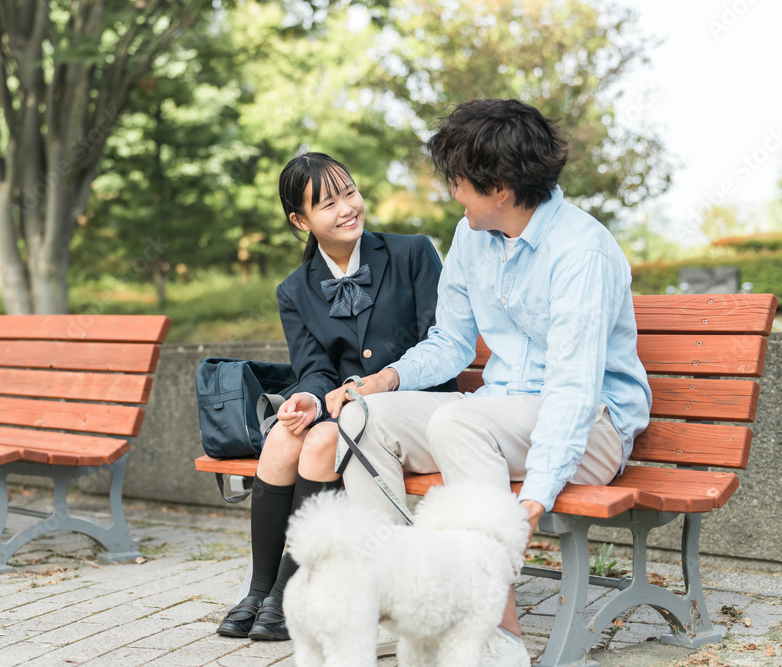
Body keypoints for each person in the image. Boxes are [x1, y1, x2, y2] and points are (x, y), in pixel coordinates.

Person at [325, 99, 652, 666]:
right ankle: (406, 604)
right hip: (496, 417)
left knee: (459, 419)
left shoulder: (581, 252)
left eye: (459, 182)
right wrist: (388, 378)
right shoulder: (471, 235)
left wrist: (535, 497)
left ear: (499, 186)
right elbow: (451, 341)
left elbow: (573, 392)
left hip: (590, 430)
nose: (454, 194)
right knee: (361, 418)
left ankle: (498, 636)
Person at [217, 152, 456, 641]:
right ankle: (258, 589)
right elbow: (314, 368)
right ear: (300, 221)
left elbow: (439, 342)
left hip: (411, 408)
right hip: (341, 412)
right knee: (286, 437)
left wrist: (370, 386)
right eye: (328, 203)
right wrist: (305, 396)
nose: (347, 208)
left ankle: (288, 590)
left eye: (349, 192)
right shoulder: (295, 290)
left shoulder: (412, 252)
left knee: (324, 440)